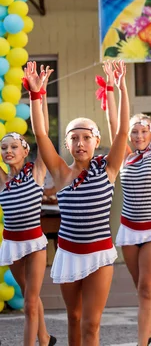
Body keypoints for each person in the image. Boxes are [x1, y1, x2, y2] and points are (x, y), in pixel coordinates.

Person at [28, 59, 130, 346]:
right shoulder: (61, 172)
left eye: (86, 137)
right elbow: (40, 134)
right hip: (69, 253)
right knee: (73, 317)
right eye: (74, 138)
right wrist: (37, 95)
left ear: (97, 141)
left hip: (99, 255)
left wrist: (121, 88)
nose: (80, 143)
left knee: (91, 323)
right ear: (67, 145)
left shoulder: (108, 169)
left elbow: (122, 131)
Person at [103, 58, 151, 346]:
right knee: (140, 289)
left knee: (146, 289)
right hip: (129, 230)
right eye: (134, 132)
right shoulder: (124, 158)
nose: (139, 135)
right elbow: (114, 123)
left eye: (144, 130)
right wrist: (115, 87)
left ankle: (142, 342)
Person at [0, 63, 56, 346]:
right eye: (4, 148)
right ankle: (44, 338)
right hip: (11, 243)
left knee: (29, 304)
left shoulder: (36, 171)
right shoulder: (2, 180)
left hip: (34, 244)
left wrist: (40, 95)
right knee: (30, 299)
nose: (8, 151)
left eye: (13, 146)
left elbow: (42, 132)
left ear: (25, 150)